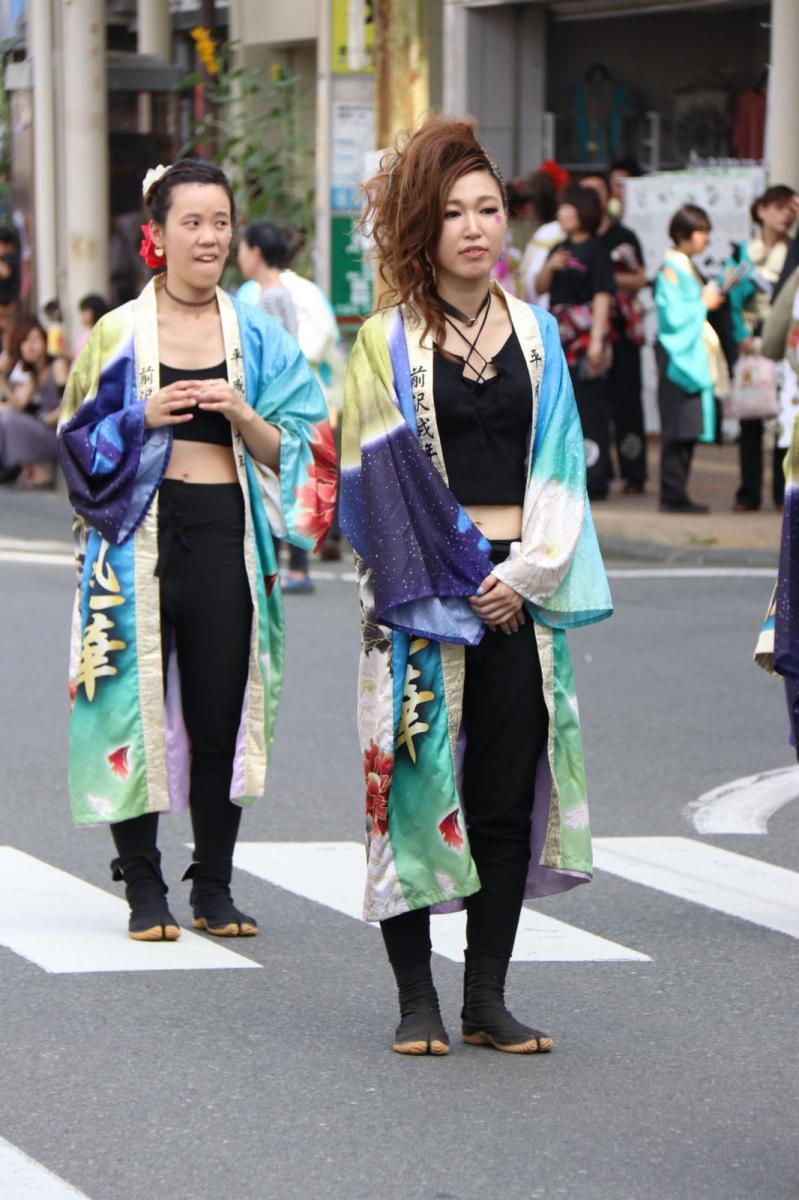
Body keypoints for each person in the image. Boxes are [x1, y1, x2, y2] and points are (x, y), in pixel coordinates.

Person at [340, 116, 612, 1057]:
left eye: (487, 208)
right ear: (422, 225)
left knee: (500, 800)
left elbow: (563, 468)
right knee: (410, 789)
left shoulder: (537, 334)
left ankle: (485, 1000)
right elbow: (378, 488)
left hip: (518, 602)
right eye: (451, 210)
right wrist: (467, 578)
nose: (473, 226)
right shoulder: (384, 342)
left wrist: (525, 575)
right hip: (419, 603)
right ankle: (416, 1000)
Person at [58, 159, 336, 942]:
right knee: (126, 709)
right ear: (156, 235)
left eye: (221, 222)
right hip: (133, 539)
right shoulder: (116, 333)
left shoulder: (257, 334)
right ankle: (143, 886)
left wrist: (244, 415)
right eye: (193, 222)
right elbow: (73, 445)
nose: (210, 236)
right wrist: (140, 414)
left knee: (220, 711)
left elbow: (310, 448)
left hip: (223, 532)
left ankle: (212, 885)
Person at [535, 183, 614, 499]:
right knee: (561, 402)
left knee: (591, 405)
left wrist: (596, 342)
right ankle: (563, 473)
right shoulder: (560, 248)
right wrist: (550, 267)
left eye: (567, 207)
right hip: (560, 335)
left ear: (583, 211)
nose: (561, 213)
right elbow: (540, 286)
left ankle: (595, 476)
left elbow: (603, 296)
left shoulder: (597, 250)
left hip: (585, 336)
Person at [725, 185, 795, 511]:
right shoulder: (743, 252)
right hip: (750, 344)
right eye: (779, 207)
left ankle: (784, 492)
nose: (786, 214)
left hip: (784, 343)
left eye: (791, 208)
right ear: (762, 210)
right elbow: (730, 298)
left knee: (785, 418)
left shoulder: (794, 251)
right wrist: (739, 334)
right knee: (751, 416)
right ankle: (748, 493)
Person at [654, 205, 727, 514]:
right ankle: (672, 494)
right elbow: (672, 315)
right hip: (679, 357)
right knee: (677, 429)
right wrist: (703, 303)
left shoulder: (682, 266)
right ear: (684, 234)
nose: (706, 239)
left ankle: (677, 492)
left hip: (687, 355)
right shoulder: (672, 267)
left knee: (686, 428)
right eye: (702, 232)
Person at [581, 172, 647, 493]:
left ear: (608, 197)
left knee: (627, 403)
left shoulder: (625, 236)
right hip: (587, 336)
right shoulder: (578, 241)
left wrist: (605, 277)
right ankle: (599, 472)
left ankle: (634, 474)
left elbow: (639, 279)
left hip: (621, 334)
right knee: (593, 407)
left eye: (597, 192)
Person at [0, 317, 69, 486]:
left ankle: (39, 473)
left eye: (35, 340)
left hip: (61, 434)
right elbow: (17, 405)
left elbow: (68, 404)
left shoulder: (57, 365)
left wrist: (48, 419)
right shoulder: (32, 375)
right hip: (47, 429)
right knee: (7, 416)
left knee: (8, 419)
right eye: (24, 342)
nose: (30, 346)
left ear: (45, 341)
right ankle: (29, 469)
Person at [237, 222, 299, 340]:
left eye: (241, 250)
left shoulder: (271, 298)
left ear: (255, 253)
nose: (239, 258)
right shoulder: (280, 292)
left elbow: (273, 348)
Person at [73, 293, 109, 357]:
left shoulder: (101, 333)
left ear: (96, 311)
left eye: (85, 311)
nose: (82, 315)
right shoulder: (85, 333)